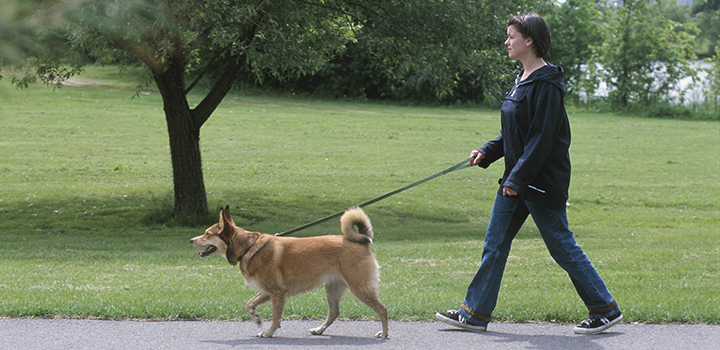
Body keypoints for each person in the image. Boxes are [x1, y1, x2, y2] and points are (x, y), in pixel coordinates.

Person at [435, 13, 622, 335]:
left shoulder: (547, 83)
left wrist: (516, 180)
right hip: (517, 180)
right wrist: (488, 151)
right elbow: (515, 132)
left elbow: (541, 138)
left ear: (529, 40)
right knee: (494, 244)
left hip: (540, 182)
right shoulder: (523, 79)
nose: (506, 42)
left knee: (561, 245)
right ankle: (475, 312)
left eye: (511, 36)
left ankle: (605, 309)